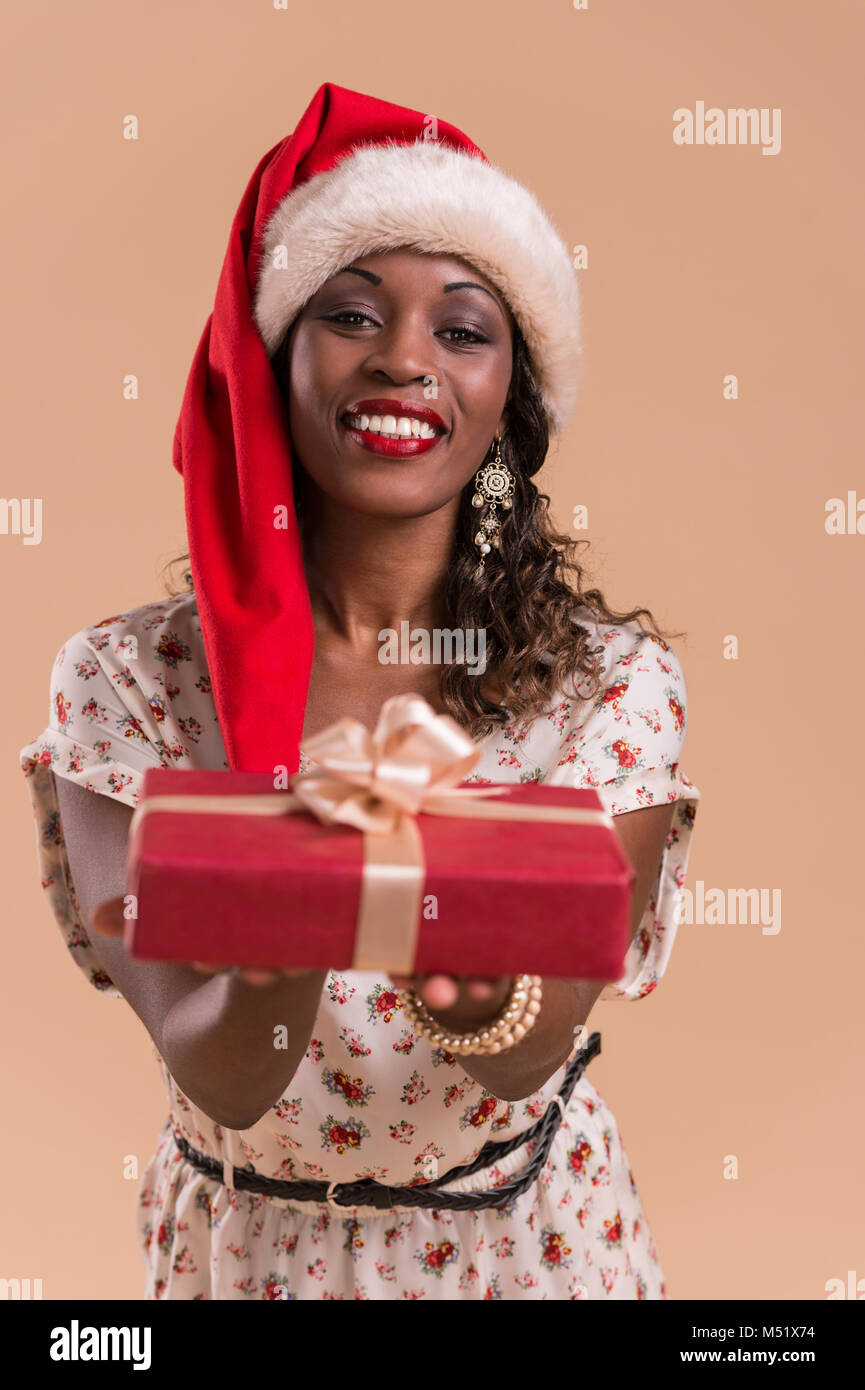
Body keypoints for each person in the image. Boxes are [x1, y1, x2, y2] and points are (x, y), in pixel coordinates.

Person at [19, 83, 701, 1300]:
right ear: (271, 365)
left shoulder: (608, 688)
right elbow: (222, 1069)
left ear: (510, 401)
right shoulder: (129, 687)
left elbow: (524, 1053)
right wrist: (312, 886)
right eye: (350, 313)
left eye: (462, 328)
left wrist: (474, 982)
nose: (401, 357)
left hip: (527, 1251)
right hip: (247, 1258)